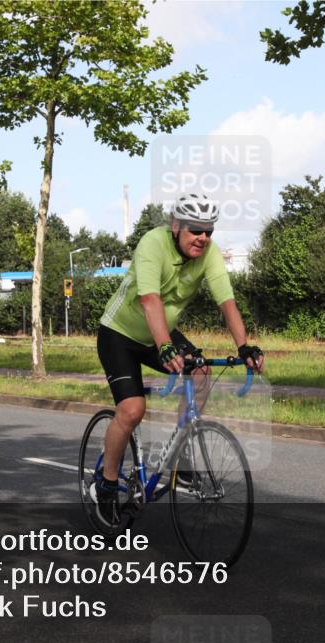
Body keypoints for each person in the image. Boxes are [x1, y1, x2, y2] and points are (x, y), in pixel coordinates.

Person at [93, 193, 264, 526]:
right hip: (120, 334)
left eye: (208, 231)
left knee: (199, 371)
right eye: (195, 230)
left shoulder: (208, 255)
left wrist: (244, 347)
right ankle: (108, 485)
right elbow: (150, 300)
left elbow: (226, 302)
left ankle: (181, 457)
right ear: (176, 227)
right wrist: (165, 347)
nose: (202, 238)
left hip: (161, 333)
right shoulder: (153, 244)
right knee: (132, 410)